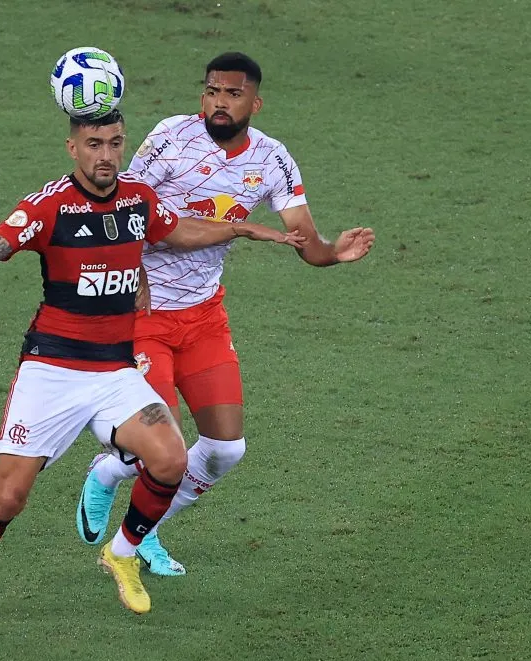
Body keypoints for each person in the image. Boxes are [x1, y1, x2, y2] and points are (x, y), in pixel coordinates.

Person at [0, 109, 304, 632]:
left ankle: (124, 551)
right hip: (51, 372)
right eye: (94, 144)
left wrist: (243, 229)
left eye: (114, 143)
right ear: (72, 148)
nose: (106, 155)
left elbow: (179, 230)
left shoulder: (137, 200)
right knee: (8, 497)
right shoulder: (51, 205)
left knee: (169, 459)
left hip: (114, 373)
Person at [76, 53, 377, 576]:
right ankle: (108, 476)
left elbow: (302, 236)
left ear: (254, 103)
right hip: (143, 313)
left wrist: (332, 252)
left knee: (225, 450)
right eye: (212, 90)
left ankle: (144, 527)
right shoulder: (172, 137)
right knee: (158, 445)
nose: (219, 101)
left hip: (204, 317)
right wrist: (137, 277)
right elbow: (122, 205)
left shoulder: (273, 159)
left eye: (232, 94)